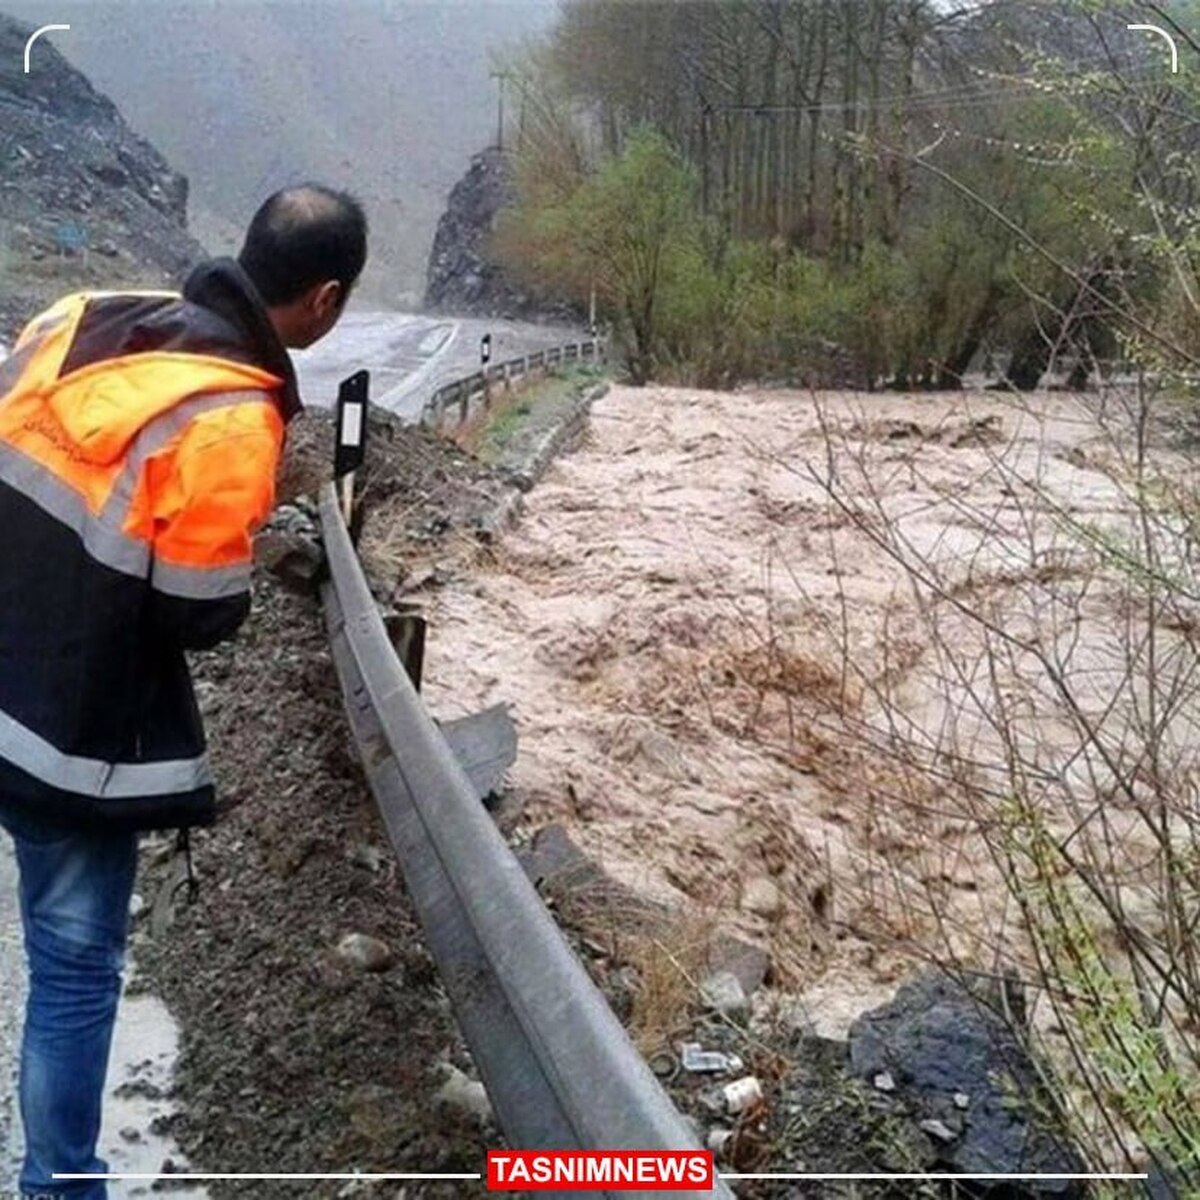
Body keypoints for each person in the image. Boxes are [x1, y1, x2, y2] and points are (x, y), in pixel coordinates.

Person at [0, 183, 367, 1199]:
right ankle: (58, 1186)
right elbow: (200, 610)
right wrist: (265, 547)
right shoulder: (232, 415)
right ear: (325, 301)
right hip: (61, 725)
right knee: (72, 965)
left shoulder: (88, 312)